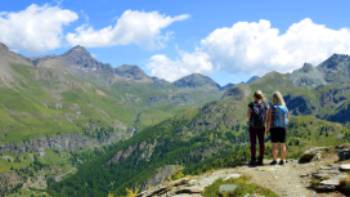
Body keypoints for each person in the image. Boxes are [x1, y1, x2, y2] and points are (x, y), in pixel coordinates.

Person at [266, 91, 289, 165]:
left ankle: (275, 160)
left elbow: (269, 119)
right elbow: (287, 118)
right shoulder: (285, 107)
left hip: (274, 128)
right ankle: (282, 160)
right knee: (283, 145)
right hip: (283, 128)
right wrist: (286, 127)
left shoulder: (272, 107)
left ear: (274, 98)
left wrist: (267, 128)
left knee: (274, 145)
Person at [247, 90, 269, 166]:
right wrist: (265, 125)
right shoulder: (265, 105)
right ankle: (261, 160)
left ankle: (253, 159)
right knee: (261, 143)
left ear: (254, 97)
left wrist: (249, 121)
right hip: (261, 127)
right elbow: (266, 117)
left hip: (252, 127)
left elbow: (248, 115)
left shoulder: (251, 104)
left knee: (253, 143)